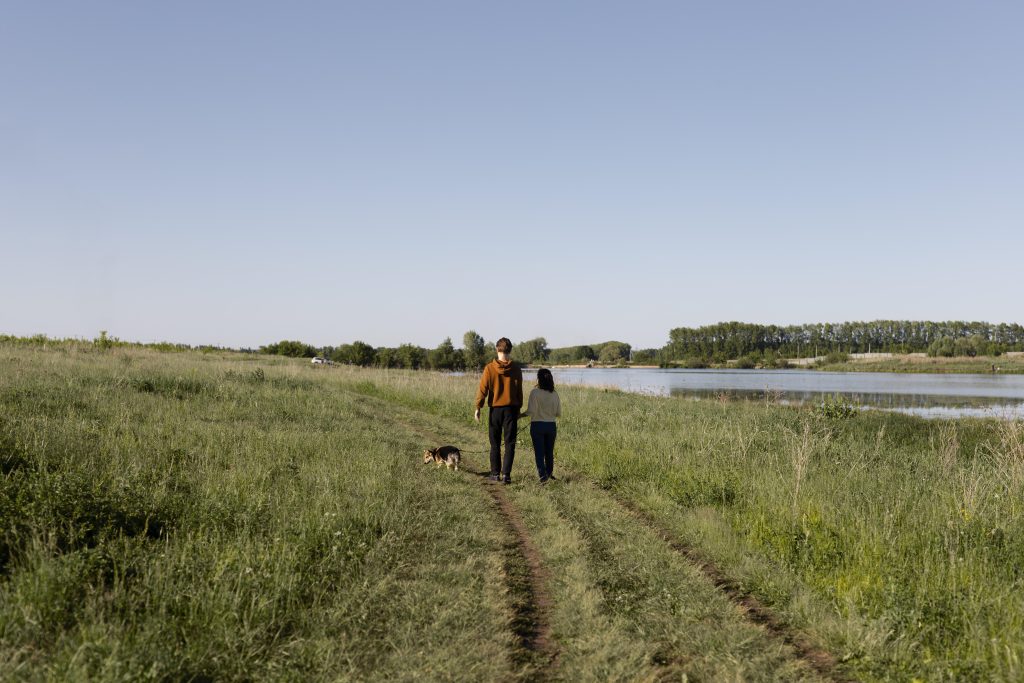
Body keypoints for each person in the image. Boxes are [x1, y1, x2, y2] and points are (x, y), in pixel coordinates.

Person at [474, 337, 523, 484]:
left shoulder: (489, 368)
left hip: (495, 410)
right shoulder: (516, 369)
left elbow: (483, 390)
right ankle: (506, 475)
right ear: (510, 350)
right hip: (511, 410)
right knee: (510, 444)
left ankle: (495, 474)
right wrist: (519, 408)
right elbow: (519, 391)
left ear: (497, 349)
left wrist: (478, 407)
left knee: (495, 443)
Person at [520, 368, 561, 483]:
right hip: (551, 426)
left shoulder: (535, 392)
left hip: (537, 426)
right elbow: (558, 413)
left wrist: (519, 416)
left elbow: (531, 411)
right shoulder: (555, 394)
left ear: (538, 379)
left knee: (539, 453)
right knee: (549, 452)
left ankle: (543, 477)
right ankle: (549, 473)